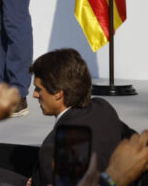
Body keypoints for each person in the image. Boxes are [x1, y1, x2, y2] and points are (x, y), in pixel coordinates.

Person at [29, 48, 132, 186]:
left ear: (58, 94)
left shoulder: (53, 147)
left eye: (38, 89)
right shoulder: (103, 107)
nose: (34, 95)